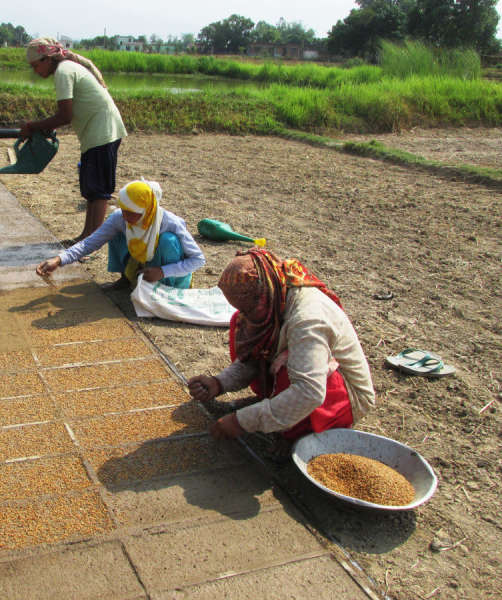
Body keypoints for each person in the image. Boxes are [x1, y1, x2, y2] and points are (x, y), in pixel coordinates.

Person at [187, 248, 375, 462]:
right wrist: (219, 383)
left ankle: (296, 433)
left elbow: (309, 392)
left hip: (343, 398)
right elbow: (256, 355)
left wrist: (242, 422)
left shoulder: (308, 320)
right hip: (307, 380)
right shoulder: (274, 294)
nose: (247, 315)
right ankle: (272, 401)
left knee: (286, 364)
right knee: (241, 326)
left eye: (249, 309)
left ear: (263, 296)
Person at [20, 36, 127, 244]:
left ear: (48, 59)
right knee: (91, 189)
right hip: (94, 133)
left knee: (100, 191)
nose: (35, 70)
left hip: (103, 131)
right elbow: (67, 113)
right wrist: (45, 127)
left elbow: (65, 116)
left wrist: (32, 126)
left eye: (35, 65)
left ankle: (92, 245)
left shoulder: (63, 72)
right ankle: (86, 237)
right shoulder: (65, 70)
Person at [36, 179, 205, 291]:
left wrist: (163, 271)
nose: (125, 216)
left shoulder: (170, 223)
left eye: (131, 212)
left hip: (171, 277)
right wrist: (58, 260)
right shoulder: (120, 218)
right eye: (123, 209)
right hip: (146, 266)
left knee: (168, 240)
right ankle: (126, 278)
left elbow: (198, 259)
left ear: (146, 211)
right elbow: (91, 243)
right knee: (116, 230)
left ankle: (164, 291)